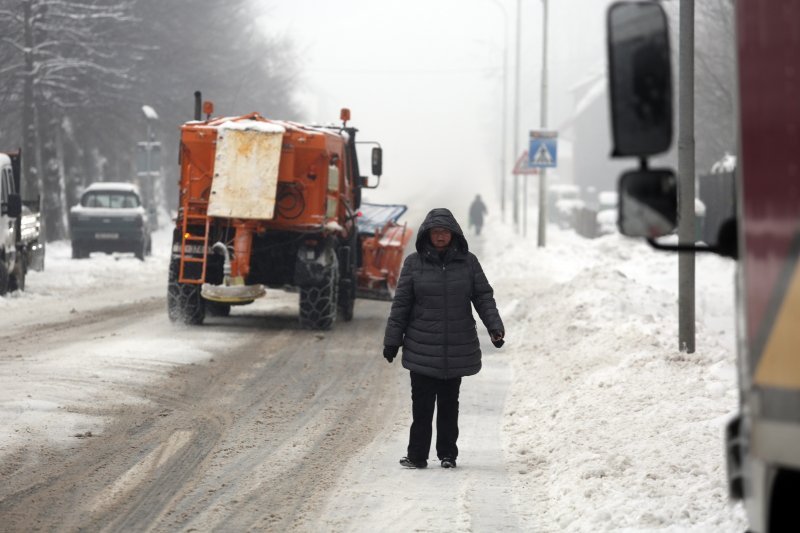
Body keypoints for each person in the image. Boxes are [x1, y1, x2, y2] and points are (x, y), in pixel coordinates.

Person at [383, 208, 505, 469]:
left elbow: (483, 297)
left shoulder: (468, 262)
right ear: (427, 234)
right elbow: (401, 305)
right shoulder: (414, 264)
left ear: (453, 234)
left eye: (445, 232)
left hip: (455, 347)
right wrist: (392, 340)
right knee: (422, 407)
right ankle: (417, 456)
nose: (440, 236)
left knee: (450, 405)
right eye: (436, 232)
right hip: (421, 347)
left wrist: (495, 327)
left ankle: (448, 454)